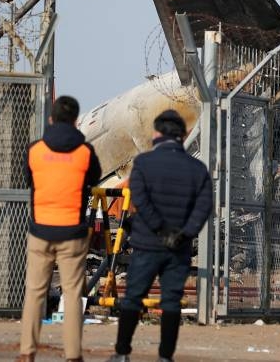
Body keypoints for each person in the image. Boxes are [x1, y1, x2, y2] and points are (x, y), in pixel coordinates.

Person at [107, 109, 211, 362]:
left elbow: (140, 199)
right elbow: (204, 206)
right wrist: (183, 233)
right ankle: (165, 357)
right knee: (171, 301)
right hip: (179, 247)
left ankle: (122, 353)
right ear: (183, 134)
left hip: (147, 244)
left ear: (156, 134)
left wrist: (158, 229)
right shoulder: (197, 169)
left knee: (133, 297)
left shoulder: (143, 164)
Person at [20, 95, 101, 362]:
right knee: (73, 293)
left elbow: (28, 179)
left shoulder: (34, 150)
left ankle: (27, 352)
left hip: (41, 229)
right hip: (72, 233)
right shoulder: (85, 152)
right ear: (76, 121)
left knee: (34, 291)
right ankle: (73, 355)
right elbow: (94, 178)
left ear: (51, 119)